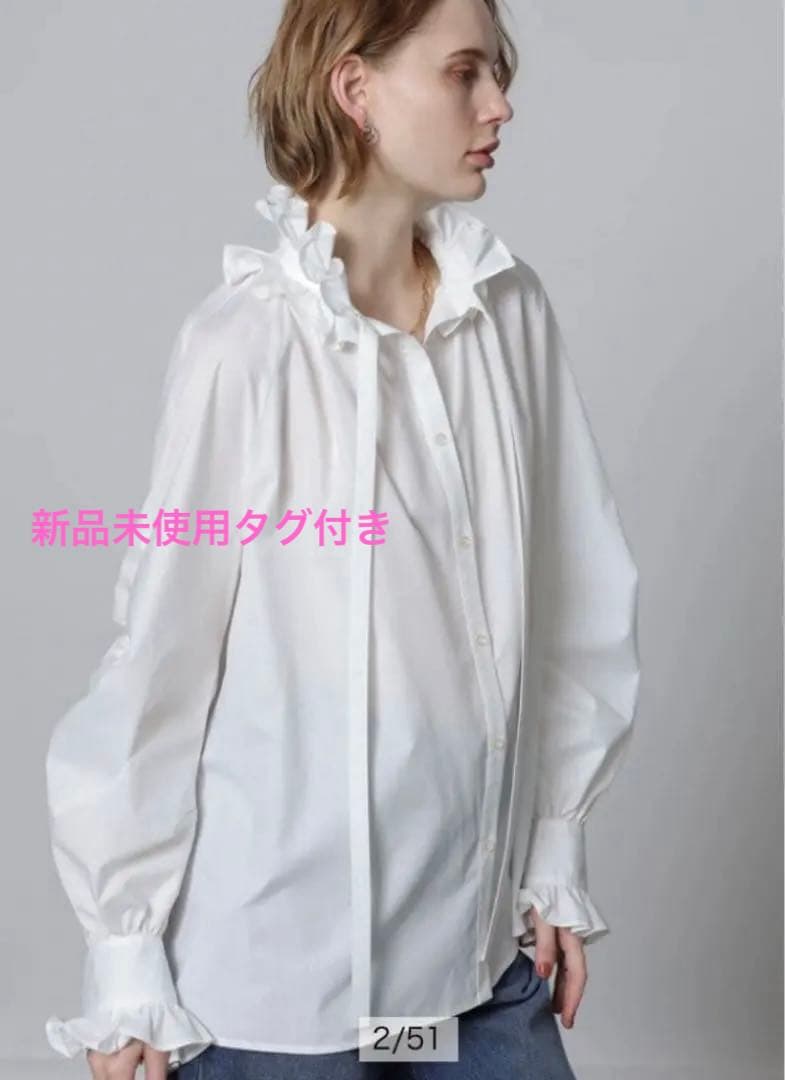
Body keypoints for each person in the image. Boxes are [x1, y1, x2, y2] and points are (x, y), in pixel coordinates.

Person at [44, 0, 641, 1077]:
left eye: (498, 72)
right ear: (355, 89)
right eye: (463, 72)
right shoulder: (243, 347)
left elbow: (573, 594)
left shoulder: (505, 314)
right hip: (280, 1009)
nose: (499, 106)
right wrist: (124, 956)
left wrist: (554, 843)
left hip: (466, 981)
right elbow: (160, 660)